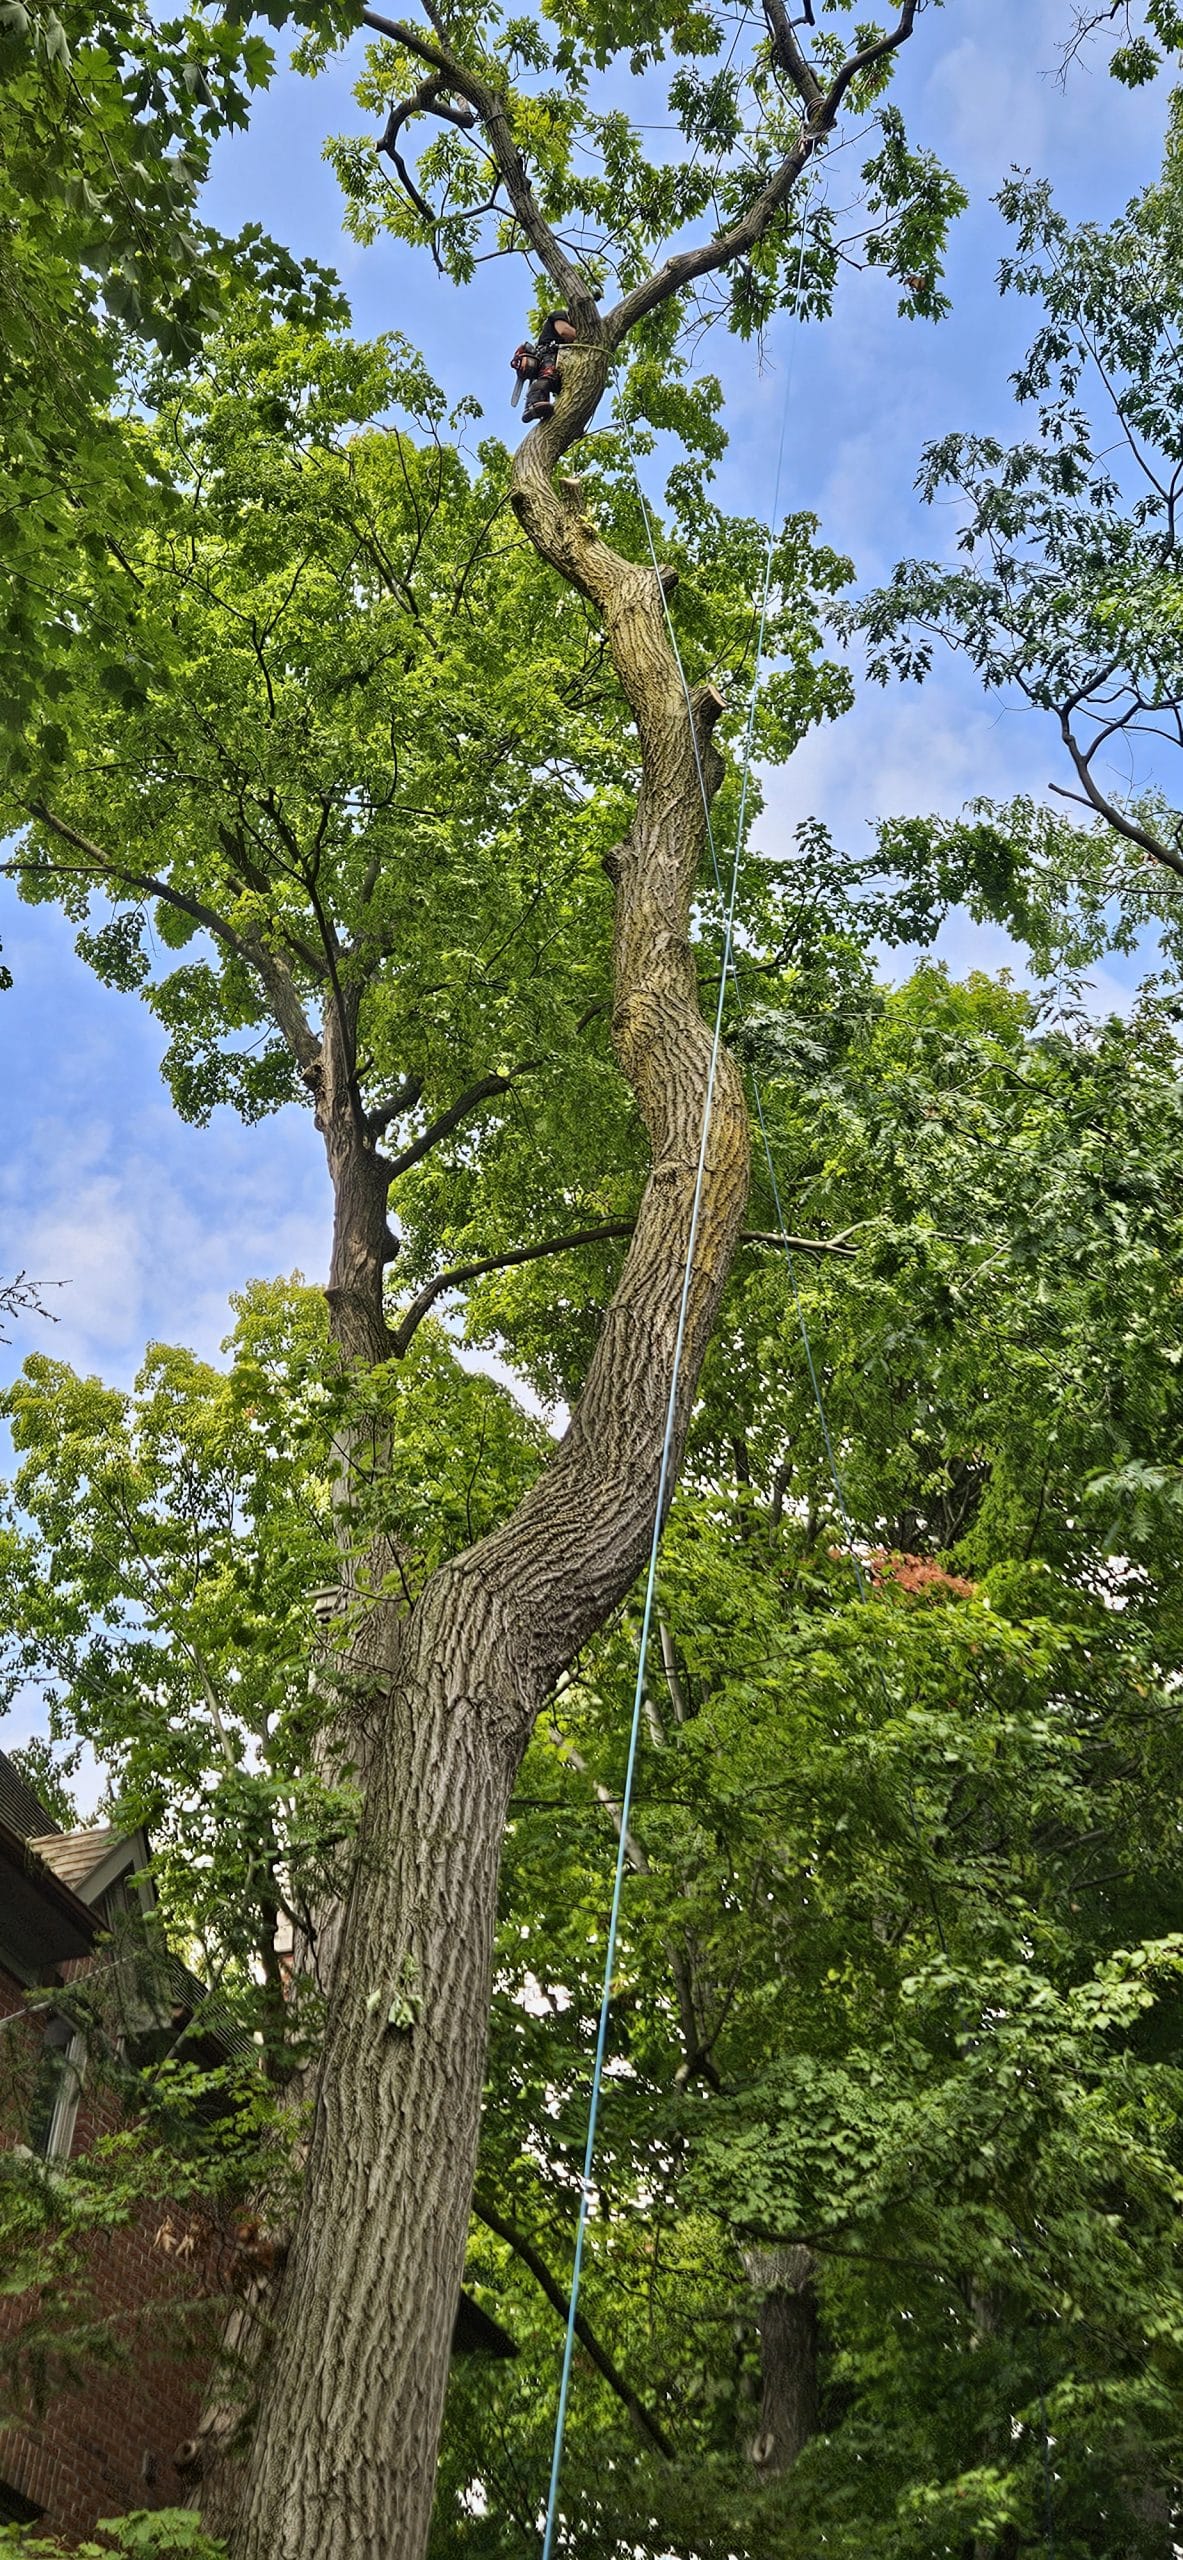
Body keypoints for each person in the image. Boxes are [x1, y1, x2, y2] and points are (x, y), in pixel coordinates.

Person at [510, 311, 577, 423]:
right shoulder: (559, 315)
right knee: (548, 376)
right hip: (549, 354)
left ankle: (574, 421)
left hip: (565, 361)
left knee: (569, 390)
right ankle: (532, 404)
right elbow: (564, 332)